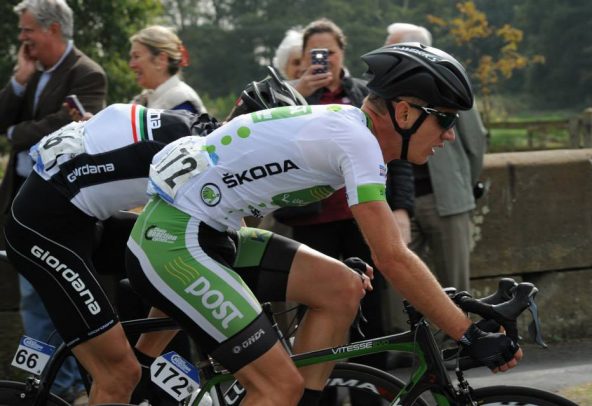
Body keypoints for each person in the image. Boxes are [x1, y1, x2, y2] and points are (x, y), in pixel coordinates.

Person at [124, 43, 522, 406]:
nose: (450, 135)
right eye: (444, 120)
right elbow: (392, 257)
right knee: (277, 385)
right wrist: (465, 333)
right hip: (177, 241)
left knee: (341, 288)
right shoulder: (356, 140)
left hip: (209, 234)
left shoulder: (351, 129)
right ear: (404, 113)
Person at [2, 104, 221, 404]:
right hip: (43, 232)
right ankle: (129, 372)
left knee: (177, 258)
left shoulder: (188, 124)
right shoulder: (203, 162)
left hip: (79, 218)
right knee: (119, 374)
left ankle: (140, 366)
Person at [278, 19, 414, 405]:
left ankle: (373, 389)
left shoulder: (363, 96)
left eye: (330, 53)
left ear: (343, 55)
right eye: (313, 55)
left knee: (369, 304)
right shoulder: (293, 96)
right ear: (302, 59)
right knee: (316, 306)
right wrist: (298, 92)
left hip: (360, 214)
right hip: (311, 218)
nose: (323, 61)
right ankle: (319, 390)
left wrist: (401, 208)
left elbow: (395, 154)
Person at [0, 1, 106, 404]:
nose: (22, 38)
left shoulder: (86, 73)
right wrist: (19, 81)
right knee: (33, 297)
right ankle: (49, 384)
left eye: (28, 30)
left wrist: (17, 132)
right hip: (21, 203)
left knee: (48, 296)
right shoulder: (33, 74)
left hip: (59, 208)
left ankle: (63, 387)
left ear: (53, 30)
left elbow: (67, 129)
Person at [385, 23, 487, 292]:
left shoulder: (450, 84)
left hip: (446, 200)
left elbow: (475, 143)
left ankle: (457, 335)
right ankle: (413, 335)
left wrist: (462, 187)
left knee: (455, 286)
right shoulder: (388, 94)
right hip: (398, 204)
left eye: (391, 50)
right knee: (400, 290)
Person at [129, 25, 205, 114]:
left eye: (137, 56)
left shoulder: (182, 103)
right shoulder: (145, 100)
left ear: (161, 59)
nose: (131, 65)